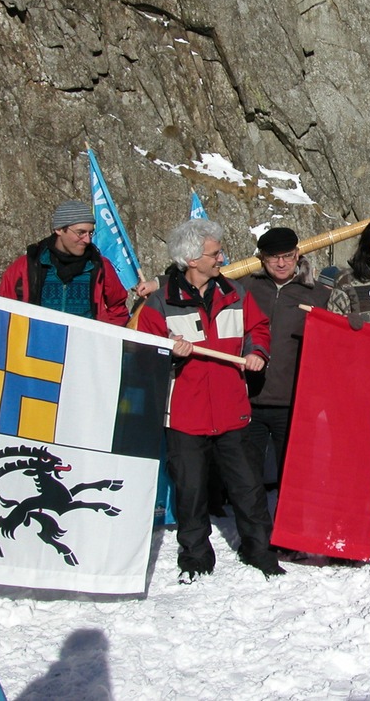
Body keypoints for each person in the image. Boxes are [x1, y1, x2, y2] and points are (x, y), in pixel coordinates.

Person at [135, 218, 284, 581]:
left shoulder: (234, 292)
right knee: (191, 490)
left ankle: (259, 550)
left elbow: (257, 328)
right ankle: (196, 556)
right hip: (186, 415)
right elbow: (143, 355)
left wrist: (258, 353)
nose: (222, 258)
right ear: (191, 260)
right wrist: (170, 352)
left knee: (248, 488)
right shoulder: (160, 303)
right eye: (214, 253)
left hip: (232, 409)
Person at [240, 227, 331, 495]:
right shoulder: (245, 287)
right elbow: (201, 280)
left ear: (298, 255)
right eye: (273, 257)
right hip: (248, 398)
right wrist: (158, 282)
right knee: (247, 479)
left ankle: (287, 535)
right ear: (262, 259)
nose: (281, 263)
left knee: (293, 478)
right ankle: (254, 536)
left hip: (293, 402)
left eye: (288, 256)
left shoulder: (318, 294)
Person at [0, 200, 129, 325]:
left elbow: (118, 308)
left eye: (90, 233)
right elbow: (1, 309)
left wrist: (103, 337)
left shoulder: (99, 266)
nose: (87, 240)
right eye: (80, 233)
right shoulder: (26, 265)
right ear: (59, 229)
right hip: (37, 344)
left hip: (83, 346)